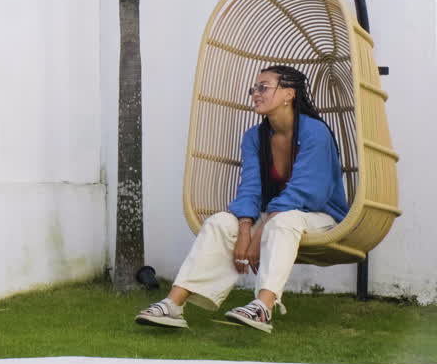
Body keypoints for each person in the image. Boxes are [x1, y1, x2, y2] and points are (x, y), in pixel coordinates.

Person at [136, 65, 348, 333]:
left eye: (264, 87)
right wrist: (246, 227)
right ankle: (173, 304)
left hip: (319, 215)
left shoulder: (315, 132)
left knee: (284, 220)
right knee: (221, 222)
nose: (255, 94)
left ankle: (263, 307)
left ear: (288, 94)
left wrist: (259, 233)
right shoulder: (254, 137)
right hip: (273, 215)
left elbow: (307, 191)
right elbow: (250, 188)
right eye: (254, 89)